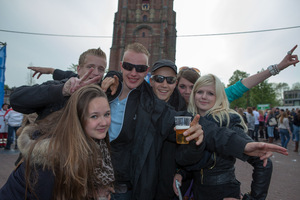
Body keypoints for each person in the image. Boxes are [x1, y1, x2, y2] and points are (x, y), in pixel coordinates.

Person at [0, 84, 115, 200]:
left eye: (107, 114)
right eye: (94, 116)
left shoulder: (94, 144)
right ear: (78, 118)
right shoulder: (51, 160)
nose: (104, 122)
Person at [174, 74, 275, 200]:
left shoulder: (228, 121)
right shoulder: (193, 120)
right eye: (200, 92)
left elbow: (264, 162)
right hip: (199, 191)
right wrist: (182, 173)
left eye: (211, 93)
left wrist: (251, 199)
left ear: (219, 97)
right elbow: (198, 160)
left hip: (223, 192)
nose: (204, 97)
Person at [10, 47, 117, 120]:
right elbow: (16, 99)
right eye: (90, 67)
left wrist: (114, 77)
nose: (95, 73)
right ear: (79, 69)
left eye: (101, 69)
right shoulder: (58, 87)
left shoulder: (106, 93)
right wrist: (61, 91)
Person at [176, 45, 299, 105]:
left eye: (192, 87)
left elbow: (240, 87)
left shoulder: (212, 100)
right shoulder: (168, 104)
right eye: (182, 86)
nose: (187, 91)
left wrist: (277, 67)